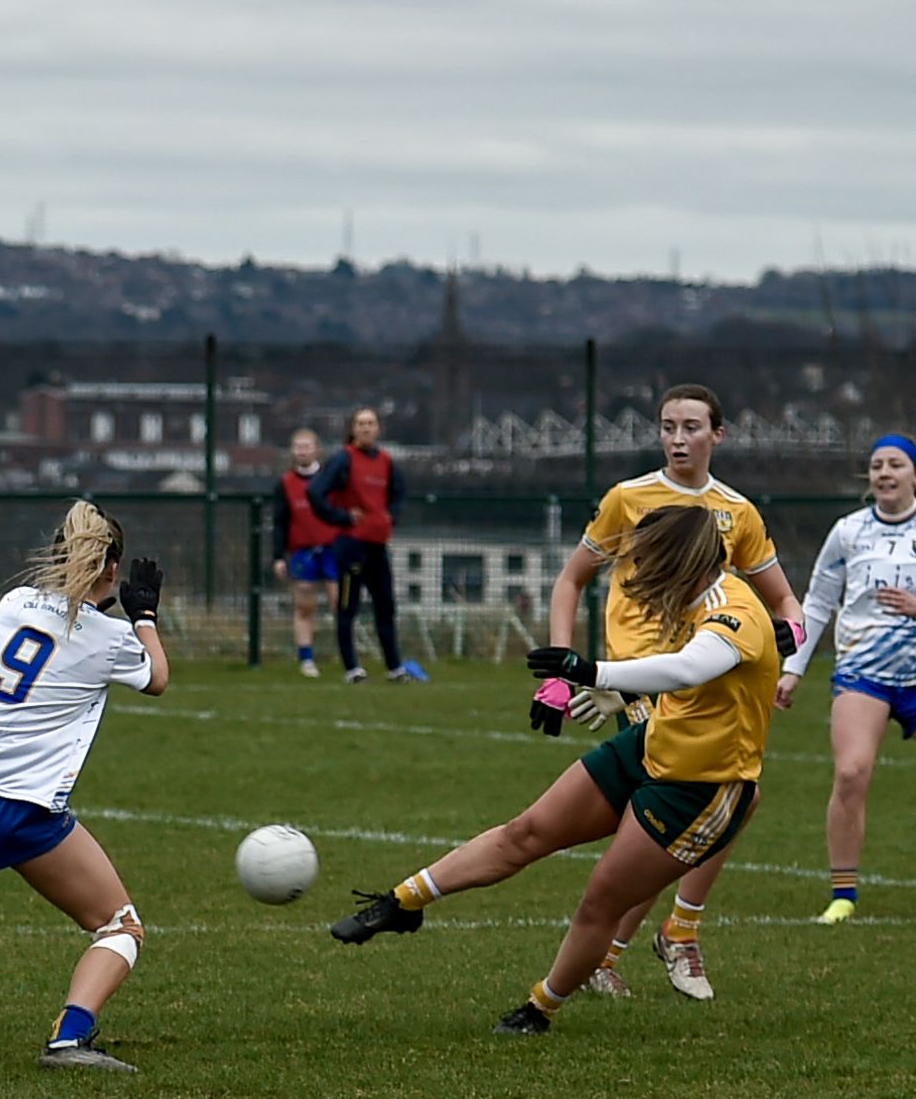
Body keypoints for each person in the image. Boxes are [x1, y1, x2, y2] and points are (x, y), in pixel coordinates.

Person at [329, 504, 783, 1036]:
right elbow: (688, 671)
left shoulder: (733, 611)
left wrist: (592, 671)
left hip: (700, 789)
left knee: (601, 900)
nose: (634, 572)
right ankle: (403, 901)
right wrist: (617, 694)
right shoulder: (688, 599)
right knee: (527, 831)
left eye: (647, 559)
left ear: (680, 560)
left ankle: (541, 1007)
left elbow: (692, 666)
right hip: (653, 744)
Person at [533, 382, 803, 1000]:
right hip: (634, 682)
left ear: (718, 435)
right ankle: (645, 940)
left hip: (702, 679)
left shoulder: (739, 512)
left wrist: (785, 646)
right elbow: (571, 580)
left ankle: (657, 935)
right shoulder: (627, 499)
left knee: (725, 805)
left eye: (690, 427)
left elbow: (785, 602)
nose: (678, 439)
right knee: (688, 813)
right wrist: (561, 673)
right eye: (667, 426)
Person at [0, 501, 170, 1071]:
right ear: (111, 569)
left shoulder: (12, 604)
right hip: (12, 811)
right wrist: (146, 615)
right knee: (121, 926)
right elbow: (157, 678)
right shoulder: (108, 636)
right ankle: (69, 1039)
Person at [776, 434, 916, 919]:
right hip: (862, 677)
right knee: (850, 773)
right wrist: (793, 668)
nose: (884, 473)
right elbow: (819, 602)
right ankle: (843, 896)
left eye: (896, 464)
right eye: (876, 465)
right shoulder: (848, 532)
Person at [308, 407, 414, 684]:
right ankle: (353, 669)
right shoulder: (344, 459)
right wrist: (340, 517)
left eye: (371, 423)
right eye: (361, 424)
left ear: (378, 429)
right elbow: (315, 492)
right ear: (353, 429)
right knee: (348, 607)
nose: (366, 428)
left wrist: (392, 515)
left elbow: (400, 494)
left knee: (385, 606)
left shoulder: (387, 462)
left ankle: (395, 668)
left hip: (377, 545)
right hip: (351, 544)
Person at [270, 427, 338, 677]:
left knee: (340, 603)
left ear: (316, 449)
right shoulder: (285, 484)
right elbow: (280, 522)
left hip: (332, 550)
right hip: (302, 553)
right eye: (297, 447)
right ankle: (307, 659)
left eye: (306, 446)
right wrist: (278, 556)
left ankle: (349, 658)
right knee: (304, 606)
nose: (302, 451)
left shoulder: (331, 480)